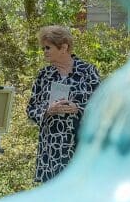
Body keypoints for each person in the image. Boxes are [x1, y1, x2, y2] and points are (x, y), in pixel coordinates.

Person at [26, 25, 101, 183]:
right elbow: (31, 109)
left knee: (81, 192)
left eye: (48, 47)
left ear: (64, 47)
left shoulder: (88, 72)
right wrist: (48, 110)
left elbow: (101, 106)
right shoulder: (44, 75)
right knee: (53, 198)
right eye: (43, 48)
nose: (44, 51)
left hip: (81, 143)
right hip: (52, 147)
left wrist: (77, 108)